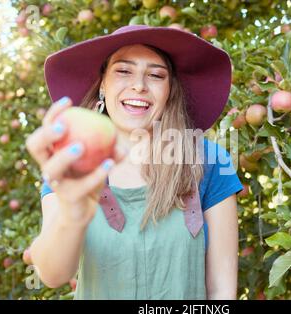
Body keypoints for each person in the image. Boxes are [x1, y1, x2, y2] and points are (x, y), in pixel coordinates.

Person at [25, 25, 243, 300]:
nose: (139, 85)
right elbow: (53, 274)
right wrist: (71, 211)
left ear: (170, 90)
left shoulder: (208, 160)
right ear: (103, 83)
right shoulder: (73, 161)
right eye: (123, 71)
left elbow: (222, 290)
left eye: (155, 75)